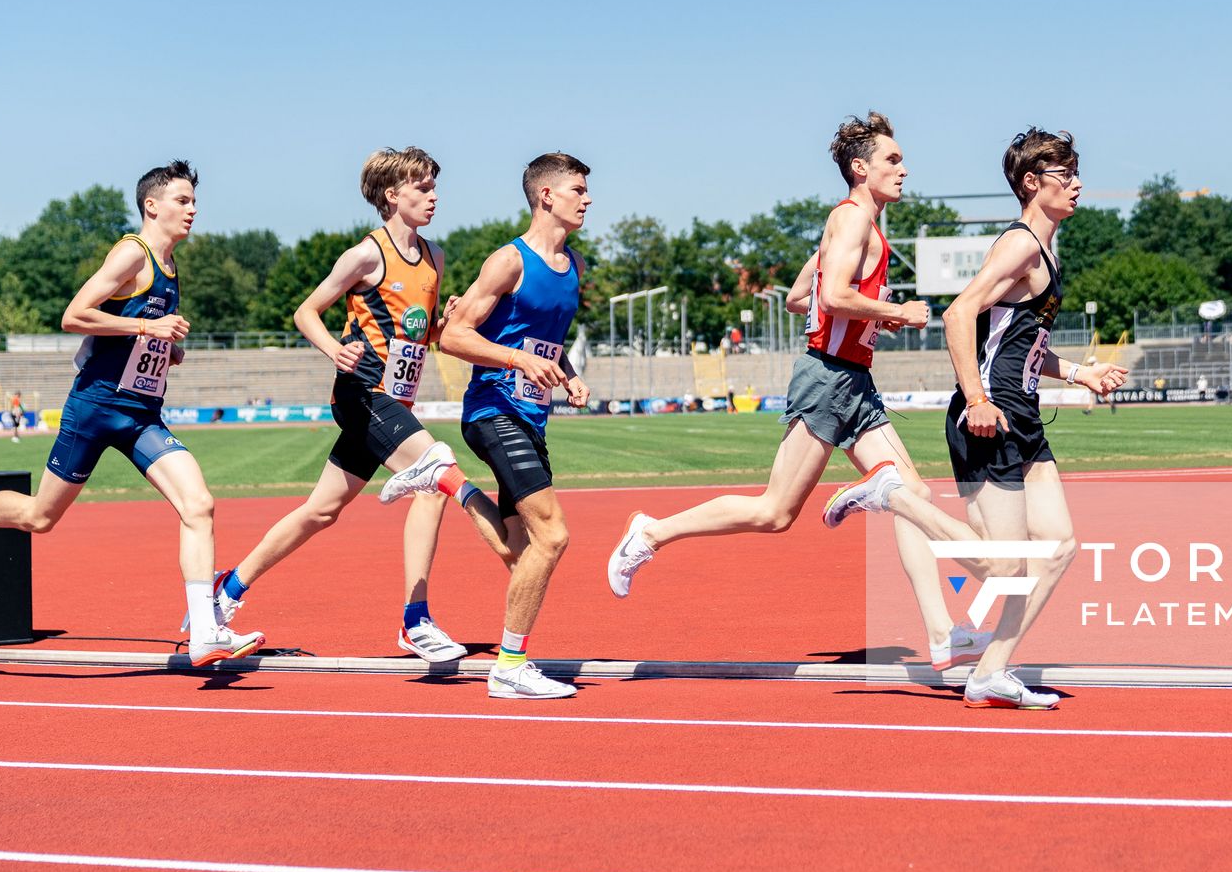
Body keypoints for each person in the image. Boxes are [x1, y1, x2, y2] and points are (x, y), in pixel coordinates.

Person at [606, 113, 997, 672]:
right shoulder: (852, 221)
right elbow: (831, 296)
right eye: (893, 160)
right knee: (774, 512)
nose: (904, 169)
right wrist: (896, 312)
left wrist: (867, 321)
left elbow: (799, 299)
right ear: (859, 169)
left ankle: (943, 632)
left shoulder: (861, 228)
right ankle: (651, 532)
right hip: (828, 379)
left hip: (854, 379)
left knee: (915, 498)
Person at [0, 161, 263, 665]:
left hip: (142, 414)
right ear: (152, 206)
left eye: (193, 201)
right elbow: (74, 315)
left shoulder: (171, 265)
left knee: (198, 504)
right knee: (40, 516)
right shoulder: (131, 254)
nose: (193, 210)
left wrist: (165, 349)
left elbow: (136, 329)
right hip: (96, 407)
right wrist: (148, 330)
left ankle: (205, 630)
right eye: (182, 201)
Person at [208, 147, 510, 662]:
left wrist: (445, 320)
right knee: (436, 477)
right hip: (361, 393)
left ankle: (227, 589)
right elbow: (306, 311)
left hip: (396, 400)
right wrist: (334, 348)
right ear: (392, 195)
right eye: (422, 187)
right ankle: (416, 622)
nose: (434, 196)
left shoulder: (435, 258)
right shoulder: (366, 255)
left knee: (320, 511)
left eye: (436, 185)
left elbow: (421, 334)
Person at [941, 129, 1127, 709]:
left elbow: (1022, 344)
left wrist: (1080, 374)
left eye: (1076, 172)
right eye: (1064, 173)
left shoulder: (1050, 250)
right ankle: (891, 497)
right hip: (990, 411)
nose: (1076, 183)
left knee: (1060, 546)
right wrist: (976, 400)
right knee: (1009, 562)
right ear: (1031, 182)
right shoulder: (1020, 245)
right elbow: (957, 314)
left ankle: (991, 673)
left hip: (1023, 413)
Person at [437, 152, 596, 699]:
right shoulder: (509, 260)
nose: (588, 198)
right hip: (492, 410)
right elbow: (453, 336)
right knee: (553, 536)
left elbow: (542, 343)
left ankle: (447, 480)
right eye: (578, 188)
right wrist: (518, 362)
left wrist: (567, 374)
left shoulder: (573, 266)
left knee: (517, 548)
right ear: (546, 195)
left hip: (533, 416)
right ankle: (508, 665)